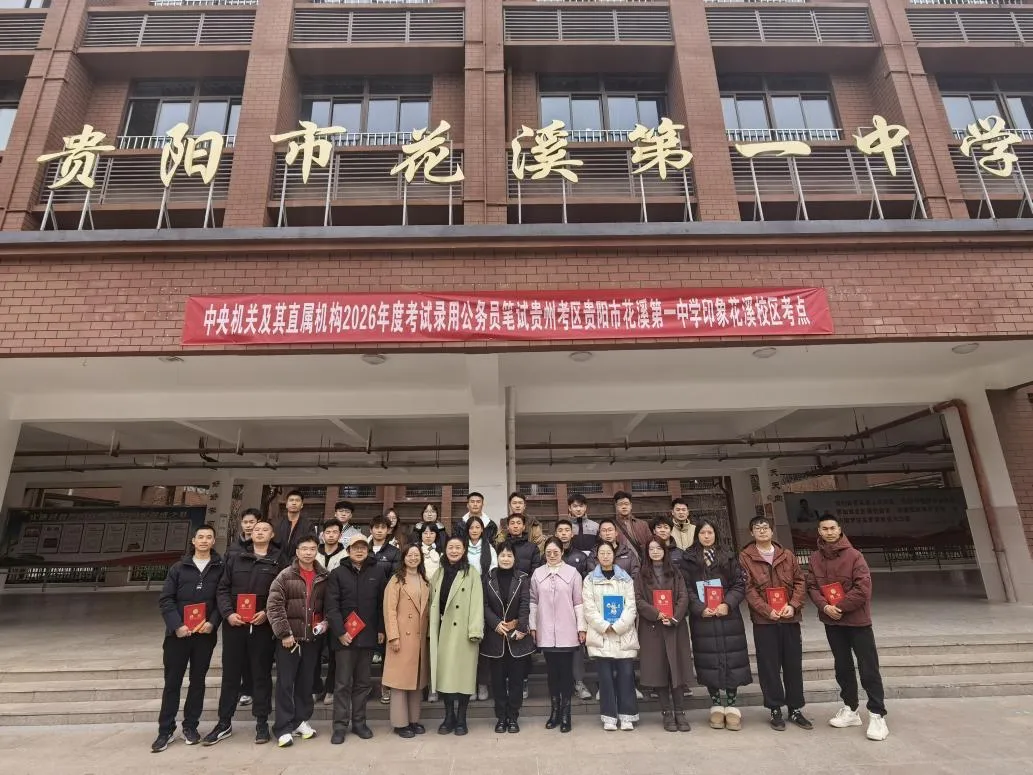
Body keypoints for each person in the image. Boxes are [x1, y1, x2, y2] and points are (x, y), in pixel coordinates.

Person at [807, 514, 888, 742]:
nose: (829, 532)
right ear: (819, 531)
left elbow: (863, 589)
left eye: (832, 528)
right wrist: (825, 607)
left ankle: (877, 713)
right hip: (832, 622)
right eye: (825, 528)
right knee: (842, 666)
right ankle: (850, 708)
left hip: (857, 621)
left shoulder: (855, 556)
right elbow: (811, 586)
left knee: (868, 667)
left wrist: (839, 607)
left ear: (839, 529)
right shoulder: (815, 558)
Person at [204, 519, 282, 746]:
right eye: (256, 529)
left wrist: (267, 612)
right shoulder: (235, 557)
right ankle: (224, 722)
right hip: (235, 626)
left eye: (265, 530)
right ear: (250, 533)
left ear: (272, 534)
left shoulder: (279, 559)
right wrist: (228, 614)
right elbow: (222, 588)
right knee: (230, 675)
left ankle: (261, 722)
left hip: (262, 627)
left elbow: (282, 592)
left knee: (261, 674)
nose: (260, 532)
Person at [152, 524, 223, 753]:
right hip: (178, 636)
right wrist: (177, 625)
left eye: (209, 537)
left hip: (204, 635)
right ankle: (165, 730)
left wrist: (213, 622)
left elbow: (222, 599)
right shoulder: (178, 568)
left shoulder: (220, 568)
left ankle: (190, 726)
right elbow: (166, 599)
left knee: (197, 682)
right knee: (172, 682)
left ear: (214, 541)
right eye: (200, 537)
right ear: (193, 541)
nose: (204, 540)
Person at [740, 516, 812, 733]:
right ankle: (775, 709)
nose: (762, 531)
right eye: (757, 528)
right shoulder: (745, 557)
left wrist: (793, 605)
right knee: (769, 666)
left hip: (789, 618)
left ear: (772, 531)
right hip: (764, 621)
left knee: (792, 664)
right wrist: (766, 610)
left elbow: (800, 581)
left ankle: (795, 708)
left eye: (765, 528)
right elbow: (748, 589)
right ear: (751, 533)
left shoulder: (786, 555)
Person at [681, 519, 752, 731]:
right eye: (703, 533)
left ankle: (731, 706)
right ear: (697, 535)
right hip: (703, 618)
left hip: (728, 617)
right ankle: (716, 705)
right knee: (709, 660)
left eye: (710, 532)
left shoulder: (728, 555)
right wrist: (698, 607)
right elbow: (685, 587)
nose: (706, 536)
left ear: (716, 534)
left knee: (732, 659)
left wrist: (727, 604)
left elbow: (739, 584)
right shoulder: (688, 558)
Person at [266, 535, 329, 748]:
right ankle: (283, 727)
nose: (308, 552)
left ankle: (300, 720)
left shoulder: (323, 576)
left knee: (305, 682)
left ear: (317, 551)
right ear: (297, 551)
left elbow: (328, 606)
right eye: (304, 549)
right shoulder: (285, 576)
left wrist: (326, 623)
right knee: (285, 684)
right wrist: (284, 633)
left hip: (312, 639)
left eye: (312, 549)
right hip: (289, 640)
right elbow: (274, 606)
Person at [325, 533, 388, 744]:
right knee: (342, 683)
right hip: (345, 638)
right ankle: (339, 726)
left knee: (362, 683)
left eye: (363, 547)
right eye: (355, 547)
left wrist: (381, 629)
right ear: (348, 550)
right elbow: (331, 606)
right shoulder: (337, 574)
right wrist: (340, 632)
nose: (359, 551)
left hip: (368, 637)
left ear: (367, 550)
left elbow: (382, 604)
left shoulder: (377, 572)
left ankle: (359, 722)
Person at [634, 539, 692, 733]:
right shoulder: (641, 574)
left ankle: (680, 712)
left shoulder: (675, 572)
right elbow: (638, 599)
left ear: (665, 550)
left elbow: (683, 596)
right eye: (651, 549)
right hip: (652, 627)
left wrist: (674, 616)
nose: (655, 551)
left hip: (675, 626)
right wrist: (656, 614)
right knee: (658, 669)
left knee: (676, 668)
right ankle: (667, 712)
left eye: (658, 548)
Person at [529, 537, 586, 733]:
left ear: (562, 552)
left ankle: (566, 713)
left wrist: (581, 628)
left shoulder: (573, 573)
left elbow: (578, 602)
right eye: (548, 552)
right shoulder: (538, 574)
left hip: (567, 630)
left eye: (556, 552)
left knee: (566, 673)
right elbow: (533, 601)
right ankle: (554, 711)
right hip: (546, 630)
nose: (552, 555)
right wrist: (533, 626)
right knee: (552, 673)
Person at [429, 537, 484, 736]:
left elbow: (477, 603)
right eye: (450, 547)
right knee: (445, 676)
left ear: (464, 550)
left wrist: (475, 630)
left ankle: (461, 718)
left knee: (463, 677)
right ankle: (448, 716)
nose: (454, 551)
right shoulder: (439, 573)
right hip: (443, 630)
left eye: (458, 547)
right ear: (445, 550)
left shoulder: (472, 573)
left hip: (464, 633)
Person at [582, 541, 639, 731]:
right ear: (597, 556)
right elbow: (589, 608)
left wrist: (619, 626)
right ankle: (609, 716)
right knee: (605, 678)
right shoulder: (589, 580)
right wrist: (604, 625)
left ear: (614, 555)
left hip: (623, 634)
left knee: (626, 675)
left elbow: (631, 606)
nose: (605, 556)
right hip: (602, 635)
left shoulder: (626, 579)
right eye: (602, 553)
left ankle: (627, 715)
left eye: (608, 552)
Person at [482, 542, 535, 733]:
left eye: (509, 555)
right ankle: (501, 717)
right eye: (502, 555)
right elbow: (484, 605)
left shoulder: (522, 578)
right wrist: (496, 623)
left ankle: (513, 716)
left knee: (516, 681)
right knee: (497, 681)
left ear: (514, 558)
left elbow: (525, 603)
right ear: (497, 557)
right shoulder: (487, 578)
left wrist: (520, 627)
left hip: (517, 637)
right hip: (495, 636)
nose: (505, 559)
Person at [382, 544, 431, 738]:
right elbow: (389, 611)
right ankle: (400, 723)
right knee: (400, 682)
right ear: (403, 558)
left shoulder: (424, 580)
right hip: (401, 638)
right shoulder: (396, 580)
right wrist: (393, 636)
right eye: (409, 555)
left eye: (416, 555)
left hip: (419, 639)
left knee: (416, 681)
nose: (413, 558)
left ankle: (413, 720)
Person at [554, 518, 592, 700]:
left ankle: (579, 682)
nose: (563, 533)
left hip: (575, 607)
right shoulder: (550, 555)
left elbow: (587, 582)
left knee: (577, 645)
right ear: (555, 533)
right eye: (560, 530)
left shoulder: (581, 557)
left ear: (572, 533)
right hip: (554, 609)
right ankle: (561, 683)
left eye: (566, 530)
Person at [228, 507, 262, 707]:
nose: (249, 526)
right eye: (246, 522)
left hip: (260, 612)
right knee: (239, 657)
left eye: (252, 522)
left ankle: (255, 689)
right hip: (237, 612)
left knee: (257, 656)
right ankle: (243, 689)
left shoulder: (268, 549)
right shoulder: (234, 549)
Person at [313, 519, 346, 705]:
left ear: (340, 535)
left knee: (334, 651)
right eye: (328, 532)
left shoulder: (345, 555)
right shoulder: (313, 552)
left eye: (335, 532)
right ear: (322, 534)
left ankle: (331, 689)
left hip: (336, 607)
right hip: (314, 606)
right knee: (314, 650)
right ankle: (315, 686)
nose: (331, 535)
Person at [466, 514, 498, 702]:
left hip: (484, 595)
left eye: (477, 527)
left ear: (482, 530)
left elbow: (493, 571)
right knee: (468, 644)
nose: (474, 530)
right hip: (465, 596)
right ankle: (469, 683)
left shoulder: (489, 548)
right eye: (471, 527)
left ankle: (483, 683)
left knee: (483, 642)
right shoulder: (461, 547)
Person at [275, 490, 316, 562]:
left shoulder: (308, 525)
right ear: (286, 504)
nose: (294, 503)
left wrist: (294, 562)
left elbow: (310, 545)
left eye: (297, 500)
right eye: (291, 500)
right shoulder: (276, 523)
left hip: (298, 563)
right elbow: (272, 544)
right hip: (276, 562)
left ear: (302, 505)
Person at [612, 490, 652, 559]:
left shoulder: (643, 524)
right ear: (616, 506)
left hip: (642, 561)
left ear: (631, 506)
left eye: (626, 504)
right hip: (620, 562)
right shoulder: (612, 526)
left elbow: (651, 544)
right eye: (620, 504)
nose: (624, 507)